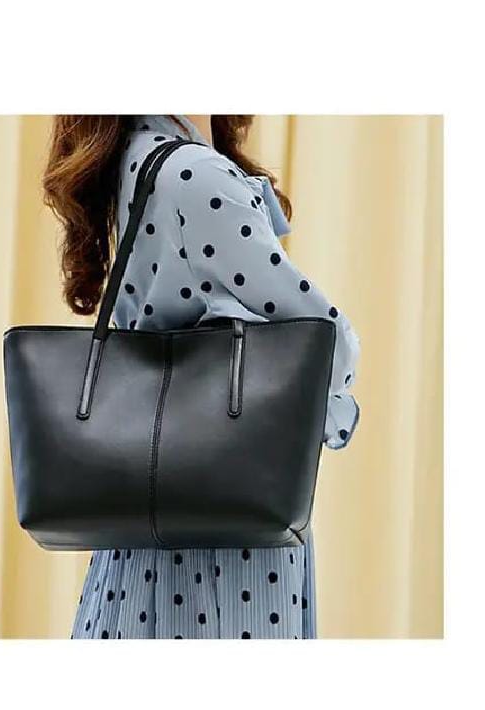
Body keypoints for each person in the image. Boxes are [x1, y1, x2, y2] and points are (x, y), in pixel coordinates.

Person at [43, 115, 361, 639]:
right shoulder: (196, 175)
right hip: (225, 551)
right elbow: (324, 343)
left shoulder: (134, 156)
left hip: (148, 538)